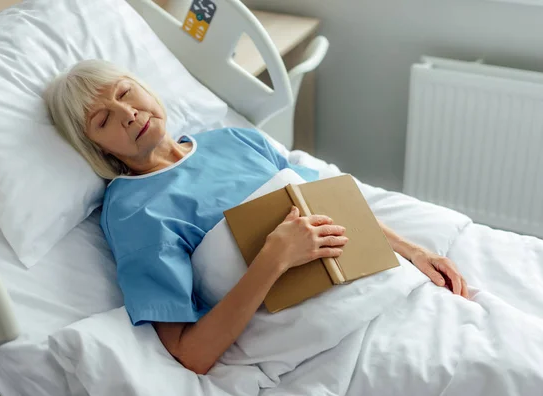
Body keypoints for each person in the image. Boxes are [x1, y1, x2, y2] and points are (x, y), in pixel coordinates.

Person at [44, 60, 469, 375]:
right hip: (325, 333)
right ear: (97, 149)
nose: (128, 114)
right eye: (103, 120)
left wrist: (414, 252)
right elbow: (190, 354)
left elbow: (327, 205)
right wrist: (274, 259)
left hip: (386, 283)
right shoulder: (134, 211)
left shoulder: (234, 139)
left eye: (125, 93)